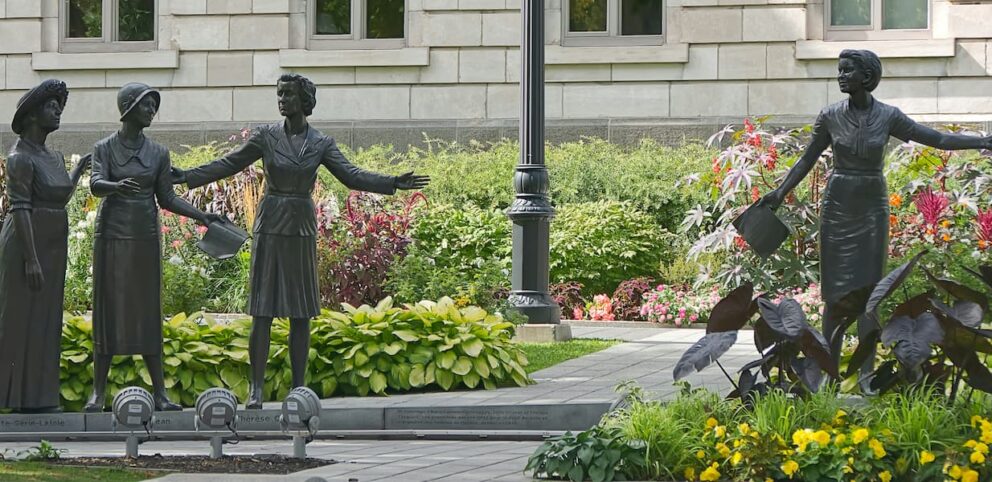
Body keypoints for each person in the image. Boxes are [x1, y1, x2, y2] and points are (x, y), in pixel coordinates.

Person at [172, 74, 429, 408]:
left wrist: (391, 182)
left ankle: (298, 388)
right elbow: (229, 163)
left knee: (300, 311)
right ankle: (256, 389)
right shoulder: (266, 136)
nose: (282, 100)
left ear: (304, 100)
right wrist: (188, 176)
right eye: (279, 94)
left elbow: (350, 175)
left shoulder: (321, 143)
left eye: (288, 95)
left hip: (301, 227)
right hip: (270, 223)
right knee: (262, 309)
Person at [759, 49, 992, 374]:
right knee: (835, 295)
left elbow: (936, 138)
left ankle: (866, 374)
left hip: (872, 207)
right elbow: (807, 159)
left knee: (870, 293)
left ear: (866, 76)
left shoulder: (888, 116)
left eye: (847, 71)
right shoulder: (830, 115)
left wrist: (983, 141)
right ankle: (828, 373)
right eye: (840, 70)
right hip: (838, 207)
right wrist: (780, 192)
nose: (840, 76)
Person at [83, 83, 223, 412]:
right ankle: (98, 393)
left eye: (153, 106)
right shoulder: (104, 147)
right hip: (112, 236)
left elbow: (167, 197)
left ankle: (160, 393)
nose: (152, 111)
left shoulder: (158, 153)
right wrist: (115, 186)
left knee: (148, 310)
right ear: (129, 108)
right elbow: (95, 183)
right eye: (146, 105)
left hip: (144, 236)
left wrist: (202, 215)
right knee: (108, 309)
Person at [0, 79, 90, 413]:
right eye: (52, 107)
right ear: (33, 114)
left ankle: (40, 398)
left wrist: (78, 169)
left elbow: (60, 195)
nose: (58, 112)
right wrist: (31, 259)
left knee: (45, 319)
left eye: (59, 107)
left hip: (52, 244)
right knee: (19, 319)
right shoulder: (19, 157)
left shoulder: (54, 156)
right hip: (26, 244)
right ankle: (14, 398)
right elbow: (20, 207)